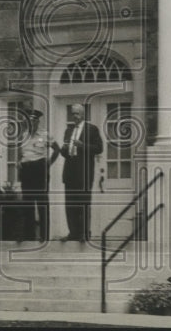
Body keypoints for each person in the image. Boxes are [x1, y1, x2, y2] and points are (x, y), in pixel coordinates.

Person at [59, 103, 103, 242]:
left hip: (84, 173)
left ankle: (84, 234)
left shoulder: (92, 129)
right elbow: (65, 153)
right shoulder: (68, 130)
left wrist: (82, 146)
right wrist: (64, 149)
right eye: (72, 114)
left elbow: (99, 148)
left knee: (83, 203)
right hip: (70, 172)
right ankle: (73, 233)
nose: (74, 116)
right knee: (70, 205)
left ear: (83, 115)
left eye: (77, 113)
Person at [17, 108, 58, 242]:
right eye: (29, 121)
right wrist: (19, 162)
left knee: (42, 203)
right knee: (27, 203)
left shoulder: (45, 135)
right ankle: (29, 236)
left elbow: (57, 150)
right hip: (26, 171)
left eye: (34, 121)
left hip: (39, 170)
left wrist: (48, 164)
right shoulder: (23, 135)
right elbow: (20, 152)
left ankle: (44, 236)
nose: (31, 123)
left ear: (38, 122)